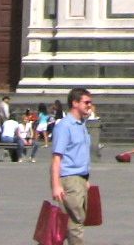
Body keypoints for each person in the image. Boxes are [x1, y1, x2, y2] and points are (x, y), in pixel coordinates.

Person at [50, 88, 96, 245]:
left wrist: (86, 179)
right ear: (75, 103)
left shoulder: (81, 124)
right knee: (76, 222)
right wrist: (56, 185)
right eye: (86, 102)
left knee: (69, 222)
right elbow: (57, 158)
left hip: (80, 179)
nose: (90, 105)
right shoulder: (65, 126)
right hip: (70, 179)